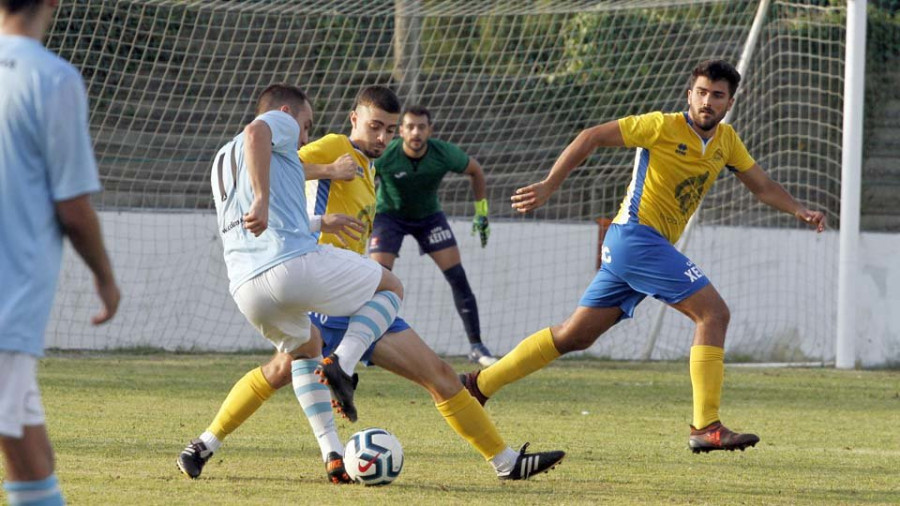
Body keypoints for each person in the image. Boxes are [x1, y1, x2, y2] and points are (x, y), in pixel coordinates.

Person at [177, 86, 565, 483]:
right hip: (321, 282)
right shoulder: (332, 147)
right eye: (375, 126)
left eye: (390, 130)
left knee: (284, 367)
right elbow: (275, 162)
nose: (383, 137)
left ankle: (208, 444)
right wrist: (328, 174)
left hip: (315, 286)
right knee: (437, 373)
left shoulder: (368, 165)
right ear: (353, 120)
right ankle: (504, 461)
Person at [460, 60, 827, 453]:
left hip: (636, 248)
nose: (707, 101)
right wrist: (550, 184)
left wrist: (798, 210)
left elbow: (762, 185)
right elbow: (590, 137)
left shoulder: (727, 141)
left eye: (717, 96)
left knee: (574, 336)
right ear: (689, 95)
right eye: (701, 93)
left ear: (729, 102)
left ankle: (478, 385)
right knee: (713, 314)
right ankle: (706, 425)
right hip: (636, 238)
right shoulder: (660, 126)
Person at [175, 83, 408, 479]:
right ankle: (344, 364)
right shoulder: (273, 127)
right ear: (286, 112)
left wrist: (319, 221)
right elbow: (256, 134)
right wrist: (265, 198)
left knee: (303, 351)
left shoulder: (221, 160)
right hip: (293, 264)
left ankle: (332, 456)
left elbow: (260, 211)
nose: (304, 136)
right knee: (391, 287)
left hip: (247, 287)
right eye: (305, 125)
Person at [0, 1, 121, 504]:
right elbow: (72, 208)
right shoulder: (52, 78)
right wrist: (105, 279)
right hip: (8, 298)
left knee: (32, 456)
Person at [369, 105, 498, 366]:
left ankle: (477, 347)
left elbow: (476, 170)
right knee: (374, 281)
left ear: (430, 130)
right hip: (389, 217)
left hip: (429, 218)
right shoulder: (386, 156)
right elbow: (365, 180)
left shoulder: (443, 153)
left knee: (458, 278)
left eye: (422, 127)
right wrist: (364, 216)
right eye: (410, 127)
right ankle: (368, 344)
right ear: (401, 131)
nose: (416, 132)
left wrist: (481, 213)